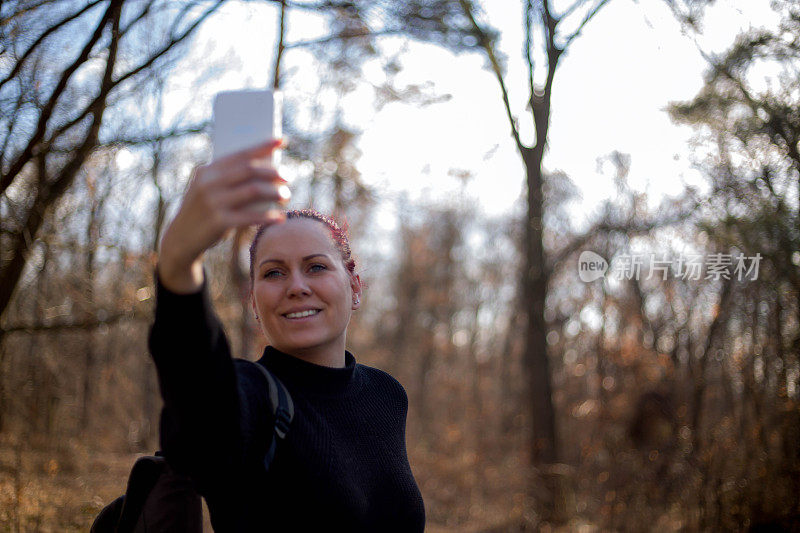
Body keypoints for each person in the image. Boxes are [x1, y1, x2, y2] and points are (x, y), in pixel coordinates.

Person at [150, 140, 426, 531]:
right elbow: (200, 406)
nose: (296, 286)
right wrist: (179, 266)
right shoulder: (251, 398)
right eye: (273, 273)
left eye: (315, 267)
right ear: (254, 302)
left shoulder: (387, 394)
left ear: (355, 287)